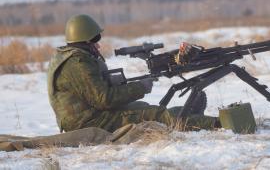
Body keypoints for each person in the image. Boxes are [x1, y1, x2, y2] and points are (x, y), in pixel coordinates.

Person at [47, 14, 219, 133]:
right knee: (155, 116)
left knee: (143, 108)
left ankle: (190, 114)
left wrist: (123, 84)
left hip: (86, 116)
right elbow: (104, 99)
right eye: (94, 40)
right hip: (90, 121)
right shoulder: (78, 63)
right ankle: (216, 123)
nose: (98, 45)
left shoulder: (68, 56)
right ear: (83, 40)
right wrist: (140, 87)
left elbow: (91, 90)